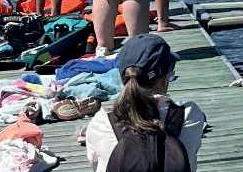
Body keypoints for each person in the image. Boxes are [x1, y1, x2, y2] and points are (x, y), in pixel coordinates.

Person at [85, 34, 205, 172]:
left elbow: (96, 164)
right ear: (163, 79)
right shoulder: (189, 114)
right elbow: (189, 160)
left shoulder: (101, 122)